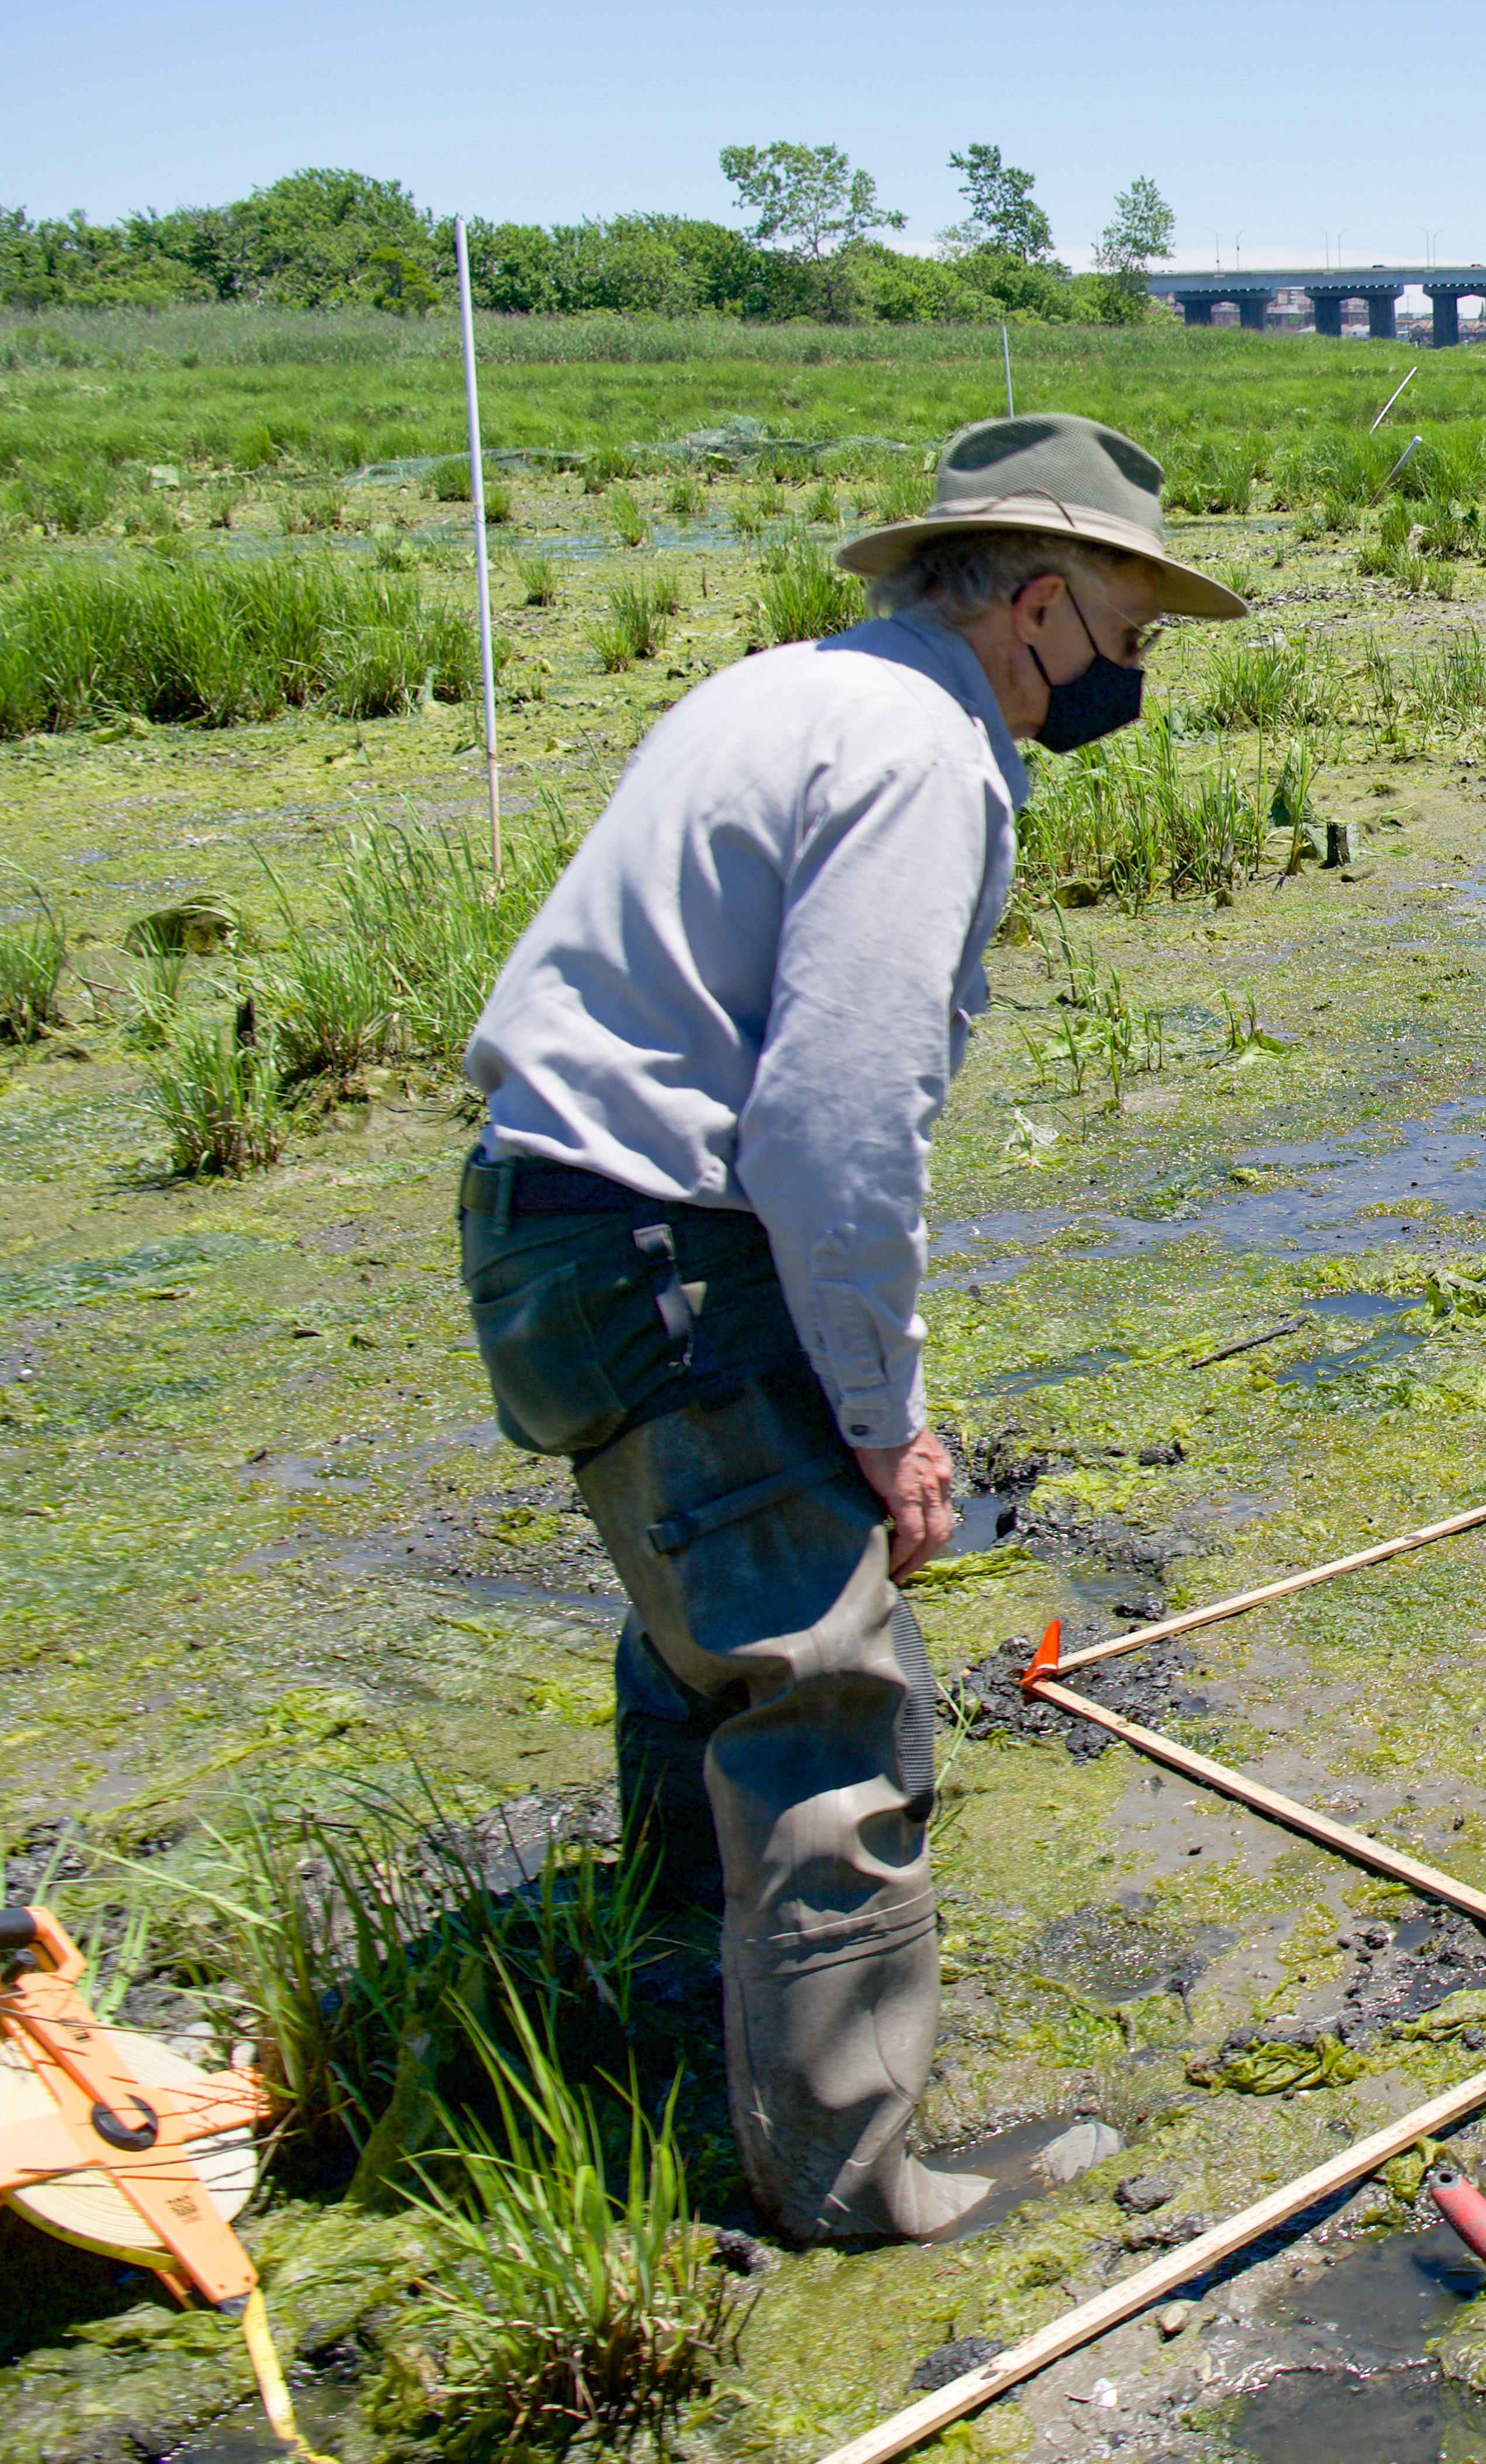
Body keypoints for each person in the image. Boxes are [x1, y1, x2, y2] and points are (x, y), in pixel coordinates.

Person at [457, 413, 1247, 2242]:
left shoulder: (793, 688)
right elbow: (833, 1120)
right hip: (669, 1236)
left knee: (699, 1632)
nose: (1124, 681)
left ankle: (684, 1987)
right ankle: (852, 2168)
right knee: (825, 1686)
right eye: (1127, 641)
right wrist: (885, 1418)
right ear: (1039, 605)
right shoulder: (921, 749)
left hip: (549, 1225)